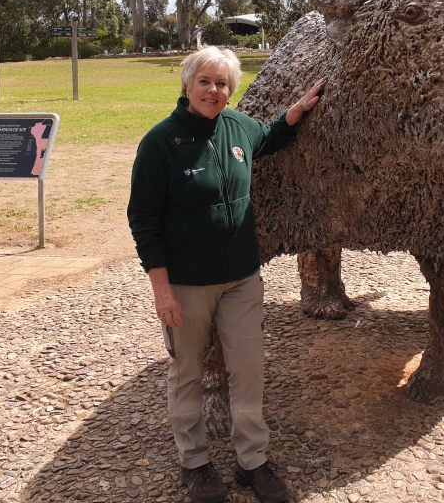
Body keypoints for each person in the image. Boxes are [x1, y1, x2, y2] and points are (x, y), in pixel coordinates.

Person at [127, 46, 323, 503]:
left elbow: (271, 136)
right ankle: (194, 462)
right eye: (205, 81)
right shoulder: (161, 143)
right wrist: (162, 290)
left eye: (222, 84)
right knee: (188, 372)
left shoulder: (238, 127)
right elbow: (143, 218)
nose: (213, 91)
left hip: (241, 279)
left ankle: (252, 460)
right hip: (187, 285)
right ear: (187, 84)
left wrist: (298, 110)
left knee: (248, 369)